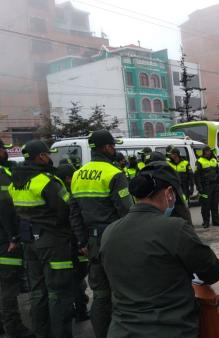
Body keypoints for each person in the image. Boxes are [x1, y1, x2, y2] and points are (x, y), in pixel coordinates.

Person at [101, 161, 219, 337]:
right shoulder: (174, 228)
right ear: (169, 193)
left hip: (121, 330)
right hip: (169, 330)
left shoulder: (110, 231)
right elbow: (212, 272)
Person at [70, 130, 134, 338]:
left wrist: (82, 240)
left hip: (92, 242)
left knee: (99, 294)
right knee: (122, 292)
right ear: (106, 147)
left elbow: (75, 212)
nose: (114, 149)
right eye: (112, 146)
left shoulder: (79, 174)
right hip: (115, 240)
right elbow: (127, 211)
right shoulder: (114, 173)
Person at [9, 140, 75, 338]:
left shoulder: (16, 182)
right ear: (40, 157)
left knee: (37, 292)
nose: (49, 158)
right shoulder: (46, 181)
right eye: (47, 154)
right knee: (59, 292)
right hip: (52, 242)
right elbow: (66, 209)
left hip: (29, 241)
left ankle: (41, 333)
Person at [0, 139, 34, 338]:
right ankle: (13, 327)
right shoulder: (3, 176)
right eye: (3, 149)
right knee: (8, 286)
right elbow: (6, 206)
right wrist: (14, 236)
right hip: (5, 239)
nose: (5, 152)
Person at [55, 163, 91, 323]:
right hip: (74, 241)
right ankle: (80, 312)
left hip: (61, 242)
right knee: (77, 278)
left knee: (74, 279)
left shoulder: (57, 189)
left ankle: (78, 308)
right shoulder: (67, 193)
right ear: (69, 178)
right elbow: (74, 217)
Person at [195, 146, 219, 228]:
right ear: (204, 152)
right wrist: (199, 187)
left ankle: (216, 221)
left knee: (215, 204)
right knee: (205, 205)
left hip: (215, 185)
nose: (208, 153)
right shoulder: (199, 161)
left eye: (209, 151)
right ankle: (206, 222)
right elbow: (197, 176)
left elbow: (218, 172)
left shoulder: (214, 160)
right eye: (206, 151)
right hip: (205, 186)